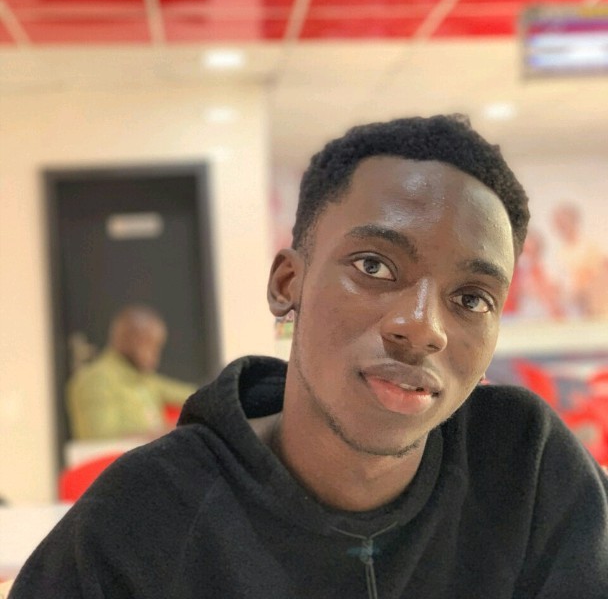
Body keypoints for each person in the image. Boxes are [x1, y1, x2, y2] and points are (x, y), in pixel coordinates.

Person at [10, 116, 608, 598]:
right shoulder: (145, 517)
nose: (422, 328)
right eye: (374, 266)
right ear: (287, 283)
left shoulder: (526, 469)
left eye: (472, 299)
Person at [66, 305, 196, 440]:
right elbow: (101, 442)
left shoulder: (146, 378)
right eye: (150, 344)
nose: (155, 354)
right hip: (124, 453)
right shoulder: (95, 380)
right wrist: (167, 434)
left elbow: (191, 395)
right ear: (130, 339)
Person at [551, 202, 608, 318]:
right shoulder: (558, 253)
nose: (561, 226)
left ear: (574, 221)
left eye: (564, 222)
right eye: (558, 223)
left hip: (595, 307)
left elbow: (598, 275)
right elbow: (558, 285)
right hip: (572, 308)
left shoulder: (590, 246)